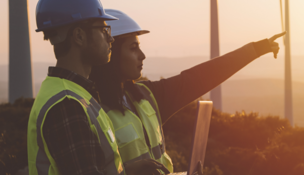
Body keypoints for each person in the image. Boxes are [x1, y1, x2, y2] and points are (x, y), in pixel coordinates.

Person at [89, 9, 285, 173]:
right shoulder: (90, 108)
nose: (142, 55)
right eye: (133, 48)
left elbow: (201, 77)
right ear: (111, 53)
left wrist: (257, 49)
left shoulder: (147, 96)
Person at [27, 0, 168, 175]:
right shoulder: (67, 105)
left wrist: (128, 172)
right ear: (79, 36)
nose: (111, 38)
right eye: (103, 30)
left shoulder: (74, 94)